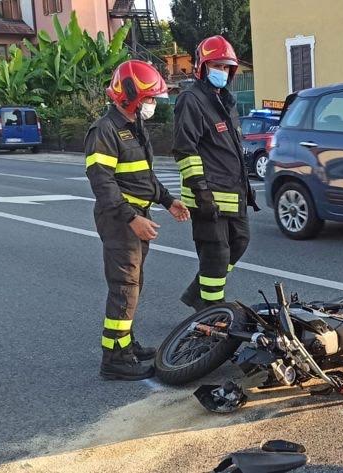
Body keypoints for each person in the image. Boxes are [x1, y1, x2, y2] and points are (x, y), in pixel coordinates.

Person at [86, 59, 191, 381]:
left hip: (135, 214)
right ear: (129, 96)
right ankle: (114, 359)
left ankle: (125, 343)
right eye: (148, 99)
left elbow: (143, 176)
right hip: (120, 219)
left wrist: (167, 199)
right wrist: (132, 219)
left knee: (132, 285)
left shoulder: (133, 125)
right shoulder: (104, 130)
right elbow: (102, 182)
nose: (152, 105)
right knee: (124, 287)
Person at [173, 35, 258, 312]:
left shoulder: (226, 101)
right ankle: (211, 310)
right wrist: (201, 192)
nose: (222, 71)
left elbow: (231, 148)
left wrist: (246, 187)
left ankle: (199, 293)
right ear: (202, 66)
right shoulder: (191, 100)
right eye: (217, 66)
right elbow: (186, 150)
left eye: (226, 67)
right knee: (216, 252)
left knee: (240, 242)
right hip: (208, 196)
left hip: (232, 192)